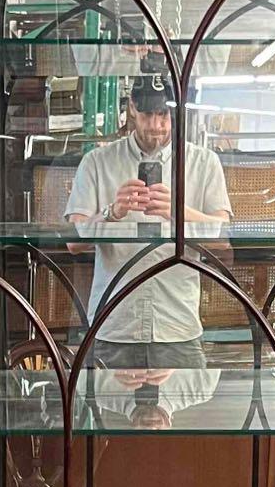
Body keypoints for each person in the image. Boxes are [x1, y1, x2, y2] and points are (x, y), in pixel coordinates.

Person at [64, 70, 232, 368]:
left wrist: (179, 213)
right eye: (147, 115)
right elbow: (73, 243)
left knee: (176, 413)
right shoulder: (97, 162)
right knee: (100, 411)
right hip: (113, 324)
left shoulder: (204, 163)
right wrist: (111, 213)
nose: (156, 125)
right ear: (131, 107)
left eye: (164, 114)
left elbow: (222, 242)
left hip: (177, 324)